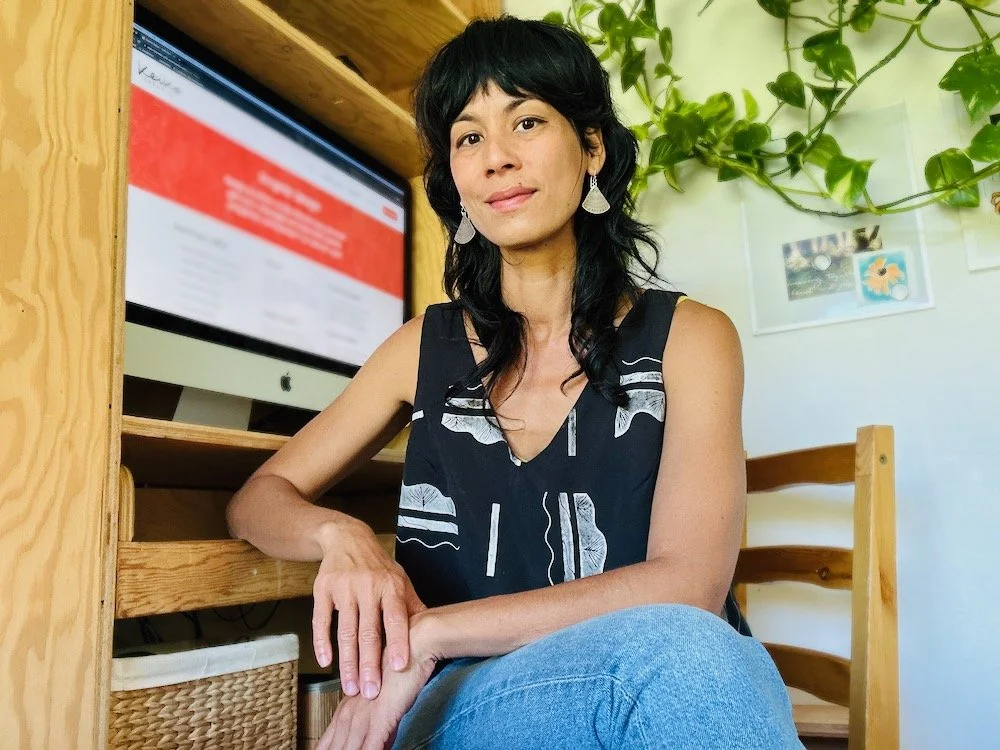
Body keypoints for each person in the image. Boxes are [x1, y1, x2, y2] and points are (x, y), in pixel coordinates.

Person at [226, 15, 803, 750]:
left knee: (693, 655)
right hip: (468, 701)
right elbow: (256, 502)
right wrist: (342, 537)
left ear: (591, 147)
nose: (496, 157)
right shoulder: (420, 349)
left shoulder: (691, 339)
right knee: (693, 662)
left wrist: (431, 631)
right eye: (469, 137)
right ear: (455, 177)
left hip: (646, 675)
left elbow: (687, 588)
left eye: (526, 121)